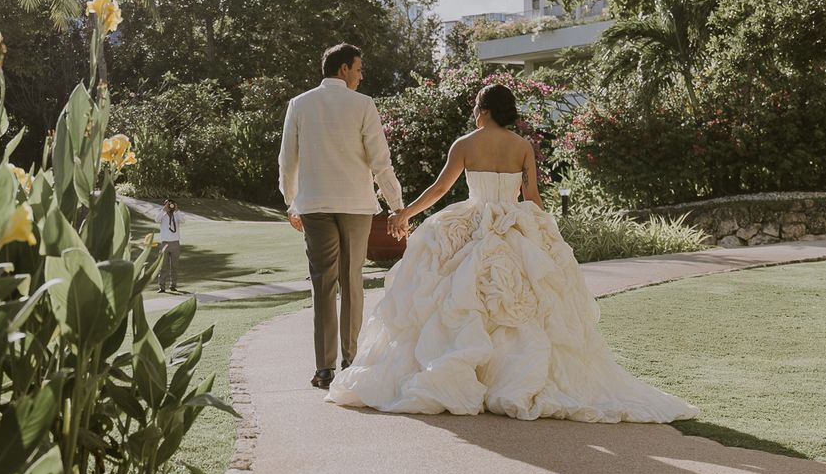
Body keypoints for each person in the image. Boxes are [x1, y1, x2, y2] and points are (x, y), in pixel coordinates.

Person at [327, 84, 697, 422]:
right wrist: (544, 232)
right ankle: (505, 376)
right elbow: (531, 198)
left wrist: (405, 213)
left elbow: (441, 189)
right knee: (520, 303)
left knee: (461, 296)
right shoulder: (522, 147)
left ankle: (470, 374)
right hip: (514, 222)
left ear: (483, 110)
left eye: (476, 107)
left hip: (473, 221)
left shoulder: (465, 144)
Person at [279, 43, 406, 390]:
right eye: (359, 68)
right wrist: (397, 206)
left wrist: (292, 201)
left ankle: (324, 368)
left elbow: (287, 160)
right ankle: (350, 361)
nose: (361, 75)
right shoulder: (363, 105)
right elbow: (381, 161)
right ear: (343, 69)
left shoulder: (299, 104)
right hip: (355, 204)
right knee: (352, 281)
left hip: (315, 205)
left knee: (323, 285)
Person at [155, 199, 184, 293]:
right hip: (164, 243)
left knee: (174, 266)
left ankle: (173, 285)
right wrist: (164, 210)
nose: (170, 206)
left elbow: (183, 220)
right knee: (163, 266)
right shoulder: (162, 215)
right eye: (168, 204)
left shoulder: (177, 215)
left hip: (175, 242)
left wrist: (177, 210)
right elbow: (156, 219)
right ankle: (161, 287)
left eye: (171, 204)